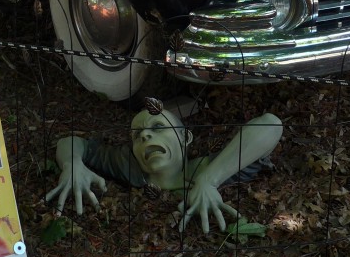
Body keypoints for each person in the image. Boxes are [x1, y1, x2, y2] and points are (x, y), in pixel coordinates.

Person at [45, 98, 282, 233]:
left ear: (185, 137)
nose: (145, 136)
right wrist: (72, 164)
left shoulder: (212, 167)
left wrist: (209, 180)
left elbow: (271, 124)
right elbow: (70, 142)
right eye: (136, 135)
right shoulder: (129, 167)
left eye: (158, 127)